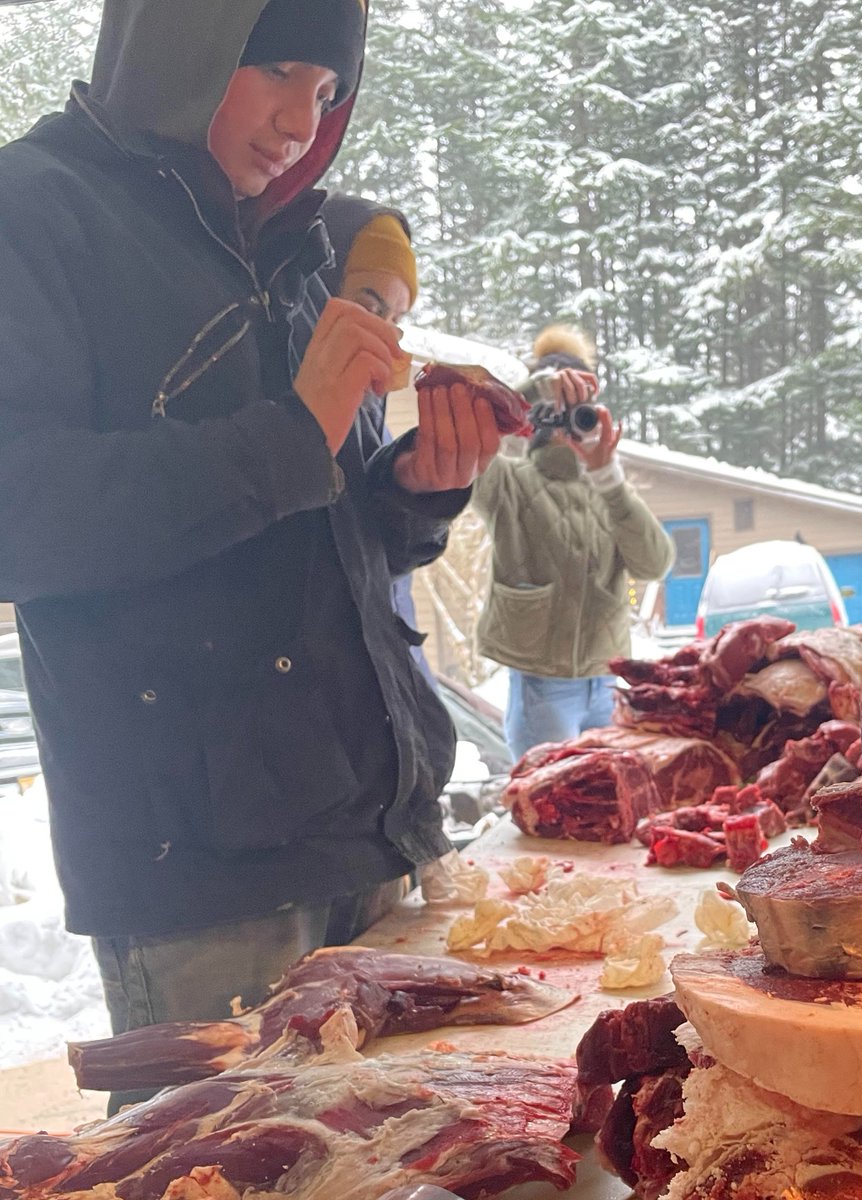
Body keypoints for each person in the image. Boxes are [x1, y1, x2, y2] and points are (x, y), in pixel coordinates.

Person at [0, 0, 499, 1108]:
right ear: (180, 42)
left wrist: (413, 492)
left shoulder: (297, 243)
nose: (300, 122)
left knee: (399, 1169)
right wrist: (290, 436)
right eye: (275, 70)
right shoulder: (31, 211)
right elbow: (19, 517)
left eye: (326, 91)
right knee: (234, 1173)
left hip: (373, 829)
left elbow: (322, 524)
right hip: (202, 876)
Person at [472, 326, 674, 758]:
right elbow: (472, 438)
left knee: (605, 791)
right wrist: (534, 391)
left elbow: (655, 564)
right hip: (540, 682)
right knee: (546, 790)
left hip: (606, 679)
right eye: (558, 409)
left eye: (580, 408)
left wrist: (609, 478)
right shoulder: (509, 481)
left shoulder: (609, 490)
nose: (568, 420)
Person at [319, 192, 435, 687]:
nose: (385, 339)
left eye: (395, 321)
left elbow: (384, 566)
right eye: (368, 307)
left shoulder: (374, 422)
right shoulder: (258, 416)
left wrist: (423, 494)